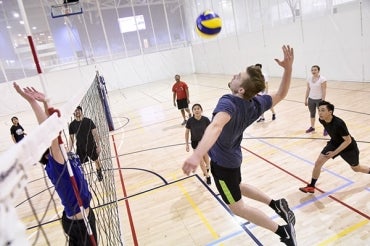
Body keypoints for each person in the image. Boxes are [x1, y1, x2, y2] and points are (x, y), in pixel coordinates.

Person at [182, 45, 297, 245]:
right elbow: (281, 94)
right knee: (238, 186)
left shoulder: (229, 102)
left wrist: (196, 154)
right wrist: (288, 69)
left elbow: (216, 126)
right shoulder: (256, 103)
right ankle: (276, 204)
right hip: (233, 159)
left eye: (238, 76)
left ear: (240, 89)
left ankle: (283, 231)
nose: (234, 75)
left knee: (237, 208)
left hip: (223, 165)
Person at [13, 82, 97, 246]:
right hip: (80, 224)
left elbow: (49, 133)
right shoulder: (57, 164)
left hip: (83, 218)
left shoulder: (63, 157)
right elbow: (49, 132)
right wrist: (40, 103)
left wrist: (39, 102)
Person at [299, 100, 370, 193]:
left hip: (348, 148)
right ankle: (311, 186)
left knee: (356, 168)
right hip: (334, 143)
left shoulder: (339, 123)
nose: (320, 113)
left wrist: (334, 153)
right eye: (319, 110)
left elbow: (348, 140)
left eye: (323, 110)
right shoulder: (322, 119)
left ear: (330, 112)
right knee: (318, 163)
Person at [69, 106, 103, 181]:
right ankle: (82, 178)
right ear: (73, 113)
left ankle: (99, 173)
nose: (77, 111)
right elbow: (71, 139)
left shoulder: (88, 121)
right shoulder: (72, 125)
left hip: (91, 145)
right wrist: (69, 150)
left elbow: (95, 134)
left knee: (96, 160)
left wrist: (99, 146)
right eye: (75, 110)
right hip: (80, 147)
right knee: (79, 164)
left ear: (81, 111)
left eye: (78, 110)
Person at [185, 103, 211, 185]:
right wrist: (187, 144)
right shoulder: (190, 121)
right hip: (195, 143)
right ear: (192, 111)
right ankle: (207, 176)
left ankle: (208, 167)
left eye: (198, 108)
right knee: (200, 160)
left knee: (206, 157)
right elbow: (187, 133)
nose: (196, 110)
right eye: (195, 109)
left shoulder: (206, 119)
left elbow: (210, 131)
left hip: (204, 142)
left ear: (201, 110)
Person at [304, 65, 327, 135]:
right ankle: (312, 127)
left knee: (322, 115)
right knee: (312, 114)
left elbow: (324, 90)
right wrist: (306, 99)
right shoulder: (309, 79)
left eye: (315, 70)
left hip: (319, 100)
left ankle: (326, 128)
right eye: (312, 70)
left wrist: (323, 100)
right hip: (311, 99)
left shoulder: (322, 79)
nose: (313, 71)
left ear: (318, 71)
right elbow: (308, 89)